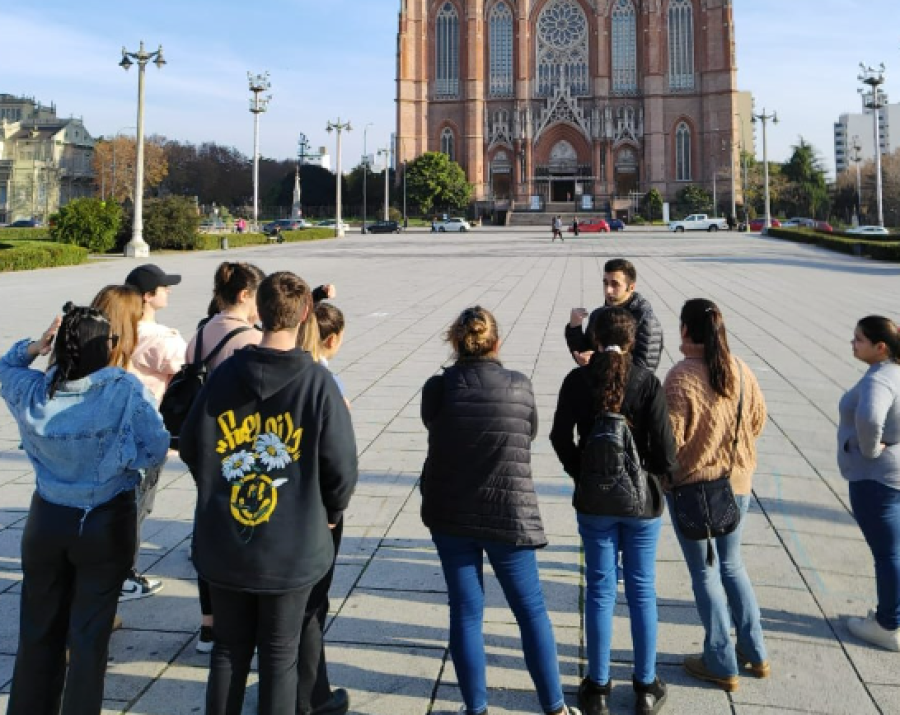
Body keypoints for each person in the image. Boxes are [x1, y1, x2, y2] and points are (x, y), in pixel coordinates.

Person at [180, 271, 358, 715]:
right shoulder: (317, 383)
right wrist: (332, 511)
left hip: (226, 540)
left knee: (228, 651)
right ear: (304, 315)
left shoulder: (223, 377)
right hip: (291, 548)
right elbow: (341, 466)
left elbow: (190, 445)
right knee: (280, 657)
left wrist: (219, 485)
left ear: (258, 310)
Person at [1, 304, 169, 715]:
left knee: (38, 629)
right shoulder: (121, 388)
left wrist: (34, 346)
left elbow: (6, 366)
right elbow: (156, 447)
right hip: (105, 519)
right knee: (89, 636)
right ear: (105, 348)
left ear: (59, 346)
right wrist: (122, 460)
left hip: (47, 518)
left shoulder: (33, 389)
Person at [421, 306, 577, 715]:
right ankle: (555, 707)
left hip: (451, 512)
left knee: (466, 612)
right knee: (530, 611)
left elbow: (432, 424)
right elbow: (528, 432)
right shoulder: (519, 386)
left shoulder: (437, 388)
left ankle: (475, 709)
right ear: (497, 343)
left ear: (456, 342)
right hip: (509, 512)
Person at [551, 307, 676, 715]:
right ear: (634, 340)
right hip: (641, 505)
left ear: (591, 339)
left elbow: (558, 436)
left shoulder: (577, 379)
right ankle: (644, 685)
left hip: (594, 501)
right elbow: (667, 451)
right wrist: (650, 478)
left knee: (601, 590)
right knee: (642, 589)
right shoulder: (647, 382)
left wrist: (580, 471)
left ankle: (599, 687)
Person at [663, 298, 769, 691]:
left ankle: (720, 660)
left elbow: (669, 443)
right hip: (737, 482)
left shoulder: (681, 376)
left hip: (693, 487)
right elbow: (758, 419)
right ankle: (755, 652)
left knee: (705, 572)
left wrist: (670, 473)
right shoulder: (740, 368)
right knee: (732, 565)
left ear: (686, 330)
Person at [183, 262, 266, 654]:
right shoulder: (250, 338)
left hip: (204, 444)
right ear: (245, 295)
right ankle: (243, 621)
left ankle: (208, 626)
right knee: (246, 531)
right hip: (239, 446)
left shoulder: (202, 332)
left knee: (209, 531)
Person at [294, 301, 351, 715]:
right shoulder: (326, 382)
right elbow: (340, 461)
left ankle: (289, 687)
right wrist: (335, 509)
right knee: (313, 603)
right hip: (316, 509)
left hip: (274, 503)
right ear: (332, 340)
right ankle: (313, 696)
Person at [121, 263, 188, 602]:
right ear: (148, 296)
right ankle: (125, 575)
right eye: (164, 287)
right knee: (138, 504)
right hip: (146, 432)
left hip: (116, 428)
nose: (169, 291)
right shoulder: (161, 340)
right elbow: (187, 378)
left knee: (119, 501)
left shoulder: (119, 327)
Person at [839, 316, 900, 652]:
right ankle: (893, 616)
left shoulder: (880, 379)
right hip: (893, 476)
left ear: (881, 347)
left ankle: (888, 624)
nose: (852, 343)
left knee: (887, 554)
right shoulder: (896, 372)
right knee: (894, 551)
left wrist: (870, 448)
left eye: (859, 339)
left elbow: (870, 417)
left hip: (875, 478)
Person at [566, 259, 663, 372]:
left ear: (631, 287)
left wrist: (598, 360)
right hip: (598, 386)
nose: (608, 290)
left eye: (615, 284)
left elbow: (643, 373)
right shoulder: (598, 315)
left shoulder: (645, 320)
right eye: (605, 283)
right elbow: (584, 355)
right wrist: (574, 328)